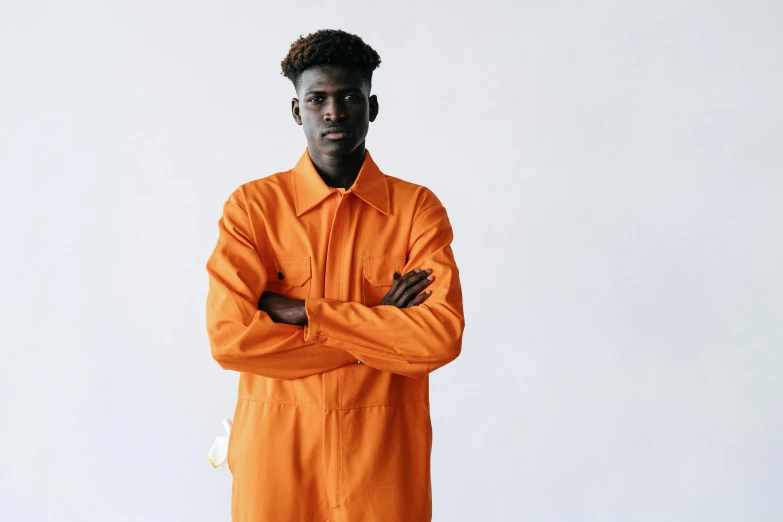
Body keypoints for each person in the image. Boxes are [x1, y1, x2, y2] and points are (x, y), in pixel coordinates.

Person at [205, 29, 465, 522]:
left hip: (383, 461)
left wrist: (304, 313)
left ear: (373, 105)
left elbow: (439, 339)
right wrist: (379, 324)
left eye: (349, 97)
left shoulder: (415, 211)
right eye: (317, 98)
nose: (334, 112)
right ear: (297, 110)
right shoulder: (253, 210)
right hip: (276, 460)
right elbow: (231, 339)